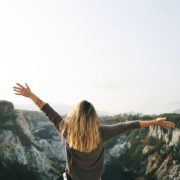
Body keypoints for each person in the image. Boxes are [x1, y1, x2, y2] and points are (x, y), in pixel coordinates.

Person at [13, 83, 175, 180]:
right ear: (94, 117)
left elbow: (47, 110)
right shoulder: (102, 132)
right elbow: (127, 125)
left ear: (75, 116)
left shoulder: (67, 130)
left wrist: (31, 95)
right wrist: (155, 122)